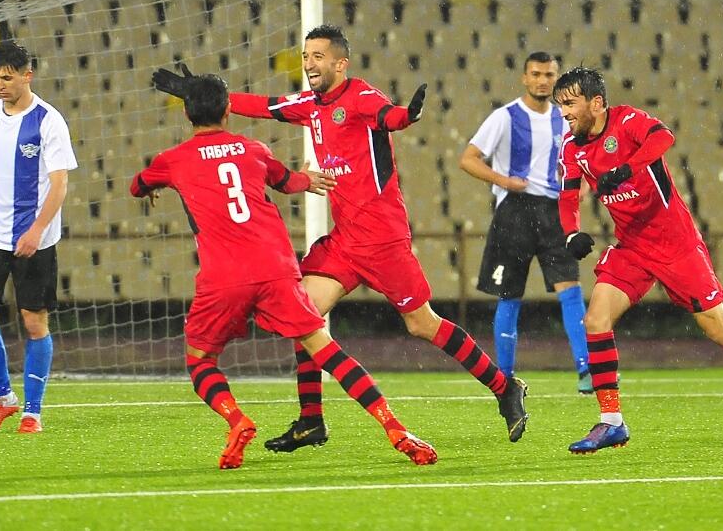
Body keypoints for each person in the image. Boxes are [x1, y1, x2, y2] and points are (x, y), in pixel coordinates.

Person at [154, 25, 529, 452]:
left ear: (340, 63)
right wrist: (201, 96)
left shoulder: (361, 97)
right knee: (305, 316)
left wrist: (408, 116)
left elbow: (389, 116)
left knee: (422, 324)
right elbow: (264, 106)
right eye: (306, 56)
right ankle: (312, 420)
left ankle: (503, 387)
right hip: (345, 241)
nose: (309, 64)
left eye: (317, 56)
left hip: (384, 239)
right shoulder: (310, 105)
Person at [131, 69, 437, 469]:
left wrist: (151, 186)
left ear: (187, 115)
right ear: (228, 111)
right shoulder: (254, 150)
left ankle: (237, 419)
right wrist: (308, 179)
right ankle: (395, 428)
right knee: (324, 348)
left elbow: (137, 185)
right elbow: (288, 181)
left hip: (224, 277)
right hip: (277, 269)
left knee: (200, 358)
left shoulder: (172, 160)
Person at [553, 66, 723, 456]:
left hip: (676, 244)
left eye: (570, 103)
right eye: (560, 105)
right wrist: (571, 232)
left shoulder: (628, 121)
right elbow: (569, 195)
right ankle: (612, 421)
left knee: (718, 327)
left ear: (597, 102)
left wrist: (626, 168)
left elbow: (663, 137)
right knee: (596, 319)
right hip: (632, 246)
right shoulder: (572, 148)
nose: (564, 111)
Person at [459, 51, 591, 394]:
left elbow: (579, 160)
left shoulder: (563, 121)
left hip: (552, 211)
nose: (542, 81)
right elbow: (468, 160)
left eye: (549, 75)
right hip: (514, 212)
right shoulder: (504, 118)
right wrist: (503, 181)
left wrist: (578, 191)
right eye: (536, 74)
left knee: (570, 290)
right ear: (524, 77)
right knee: (509, 295)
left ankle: (586, 370)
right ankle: (504, 377)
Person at [0, 40, 78, 434]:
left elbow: (60, 183)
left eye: (7, 78)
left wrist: (35, 230)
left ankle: (33, 411)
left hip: (35, 240)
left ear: (27, 75)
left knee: (34, 324)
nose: (0, 85)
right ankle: (3, 399)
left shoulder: (49, 120)